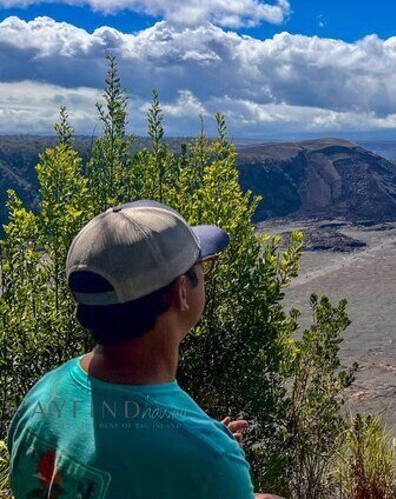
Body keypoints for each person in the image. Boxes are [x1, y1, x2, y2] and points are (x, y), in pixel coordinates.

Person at [7, 200, 280, 498]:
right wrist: (212, 460)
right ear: (180, 293)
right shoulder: (208, 461)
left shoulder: (43, 396)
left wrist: (204, 445)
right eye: (201, 267)